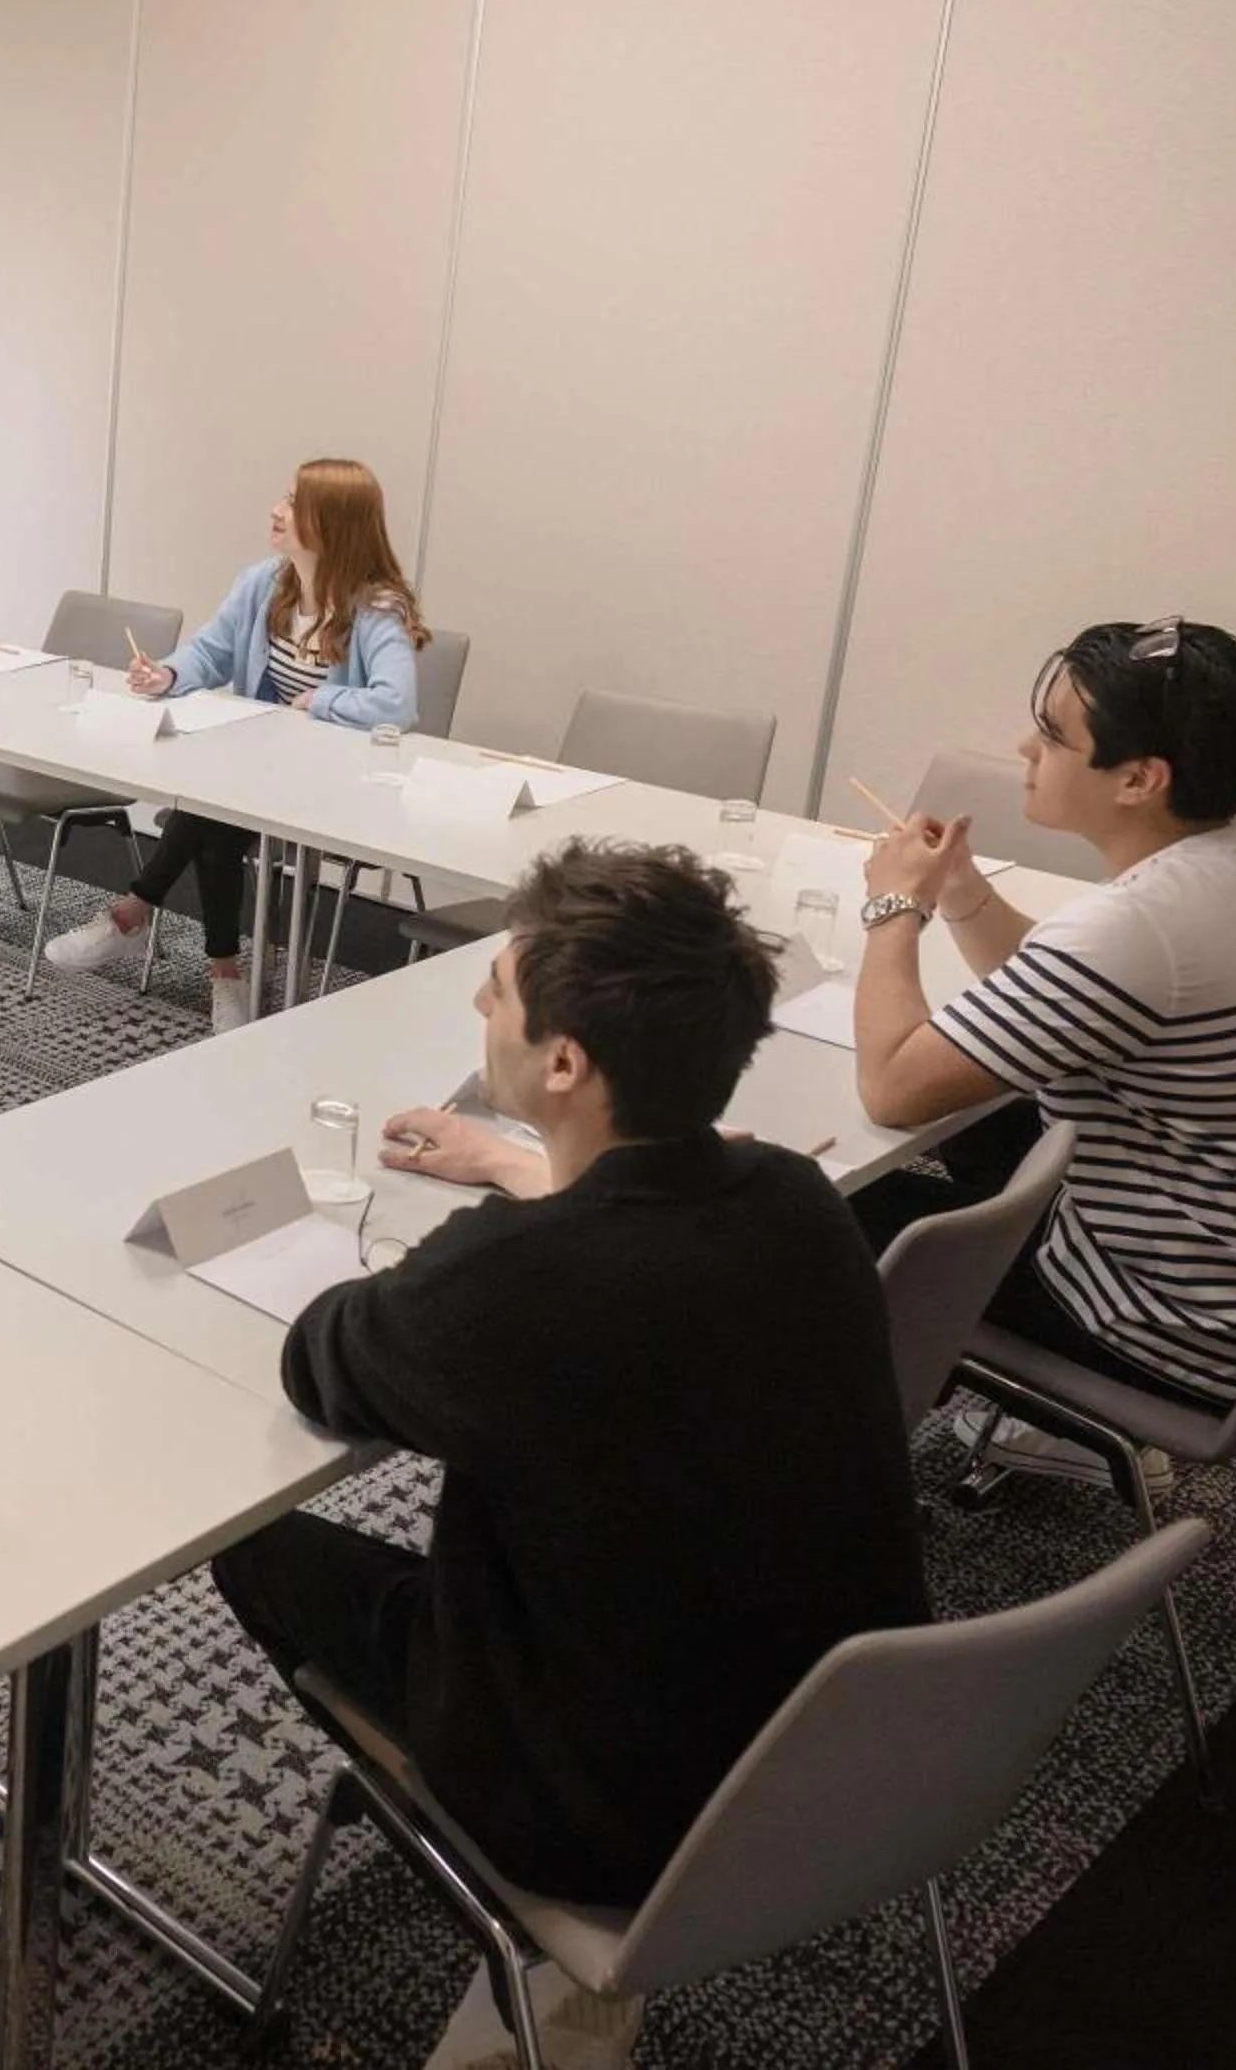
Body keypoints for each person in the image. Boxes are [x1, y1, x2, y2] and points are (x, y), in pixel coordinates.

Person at [211, 843, 925, 2057]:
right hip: (849, 1743)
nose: (477, 1005)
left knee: (256, 1551)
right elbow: (629, 1243)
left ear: (562, 1061)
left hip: (613, 1808)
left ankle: (536, 1948)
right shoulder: (798, 1202)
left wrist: (496, 1221)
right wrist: (520, 1168)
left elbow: (325, 1355)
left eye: (496, 989)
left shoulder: (513, 1288)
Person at [852, 616, 1236, 1488]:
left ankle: (839, 1455)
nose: (1027, 746)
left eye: (1057, 735)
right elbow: (1070, 998)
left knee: (829, 1212)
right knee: (979, 1117)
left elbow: (891, 1086)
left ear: (1139, 778)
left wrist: (893, 911)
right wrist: (959, 892)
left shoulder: (1136, 927)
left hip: (1166, 1325)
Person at [41, 458, 430, 1033]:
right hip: (262, 768)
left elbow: (396, 705)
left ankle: (135, 916)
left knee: (208, 809)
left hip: (333, 781)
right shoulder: (264, 584)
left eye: (293, 503)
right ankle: (221, 974)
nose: (277, 510)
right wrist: (167, 676)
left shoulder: (375, 607)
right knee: (214, 822)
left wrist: (317, 703)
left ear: (332, 522)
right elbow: (211, 653)